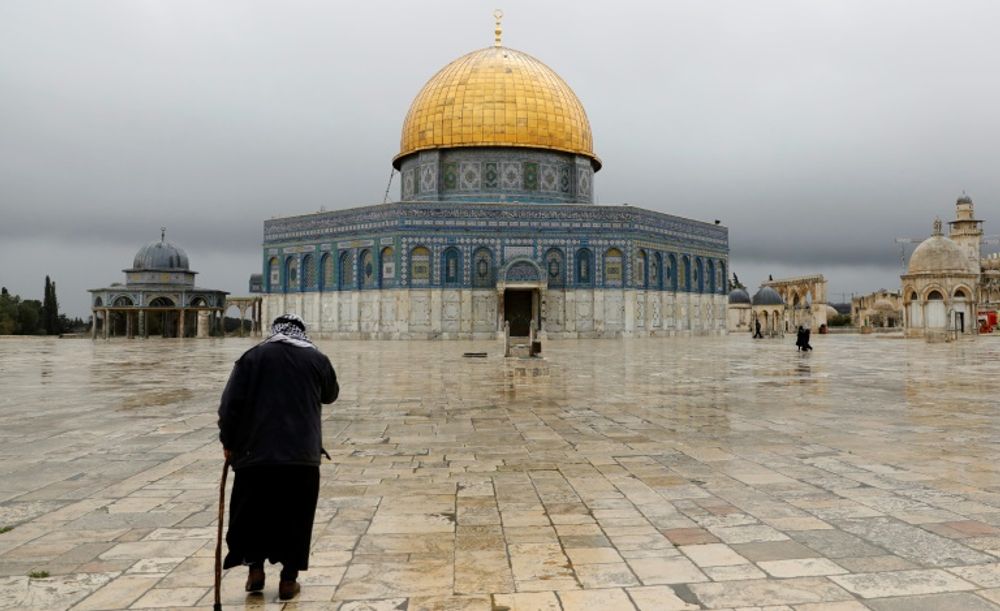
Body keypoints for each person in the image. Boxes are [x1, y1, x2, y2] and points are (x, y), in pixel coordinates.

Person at [218, 313, 338, 600]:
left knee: (254, 513)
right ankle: (288, 579)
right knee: (296, 516)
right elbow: (330, 394)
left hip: (255, 454)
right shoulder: (316, 359)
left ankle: (255, 571)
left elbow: (229, 406)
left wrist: (228, 441)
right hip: (301, 456)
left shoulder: (252, 357)